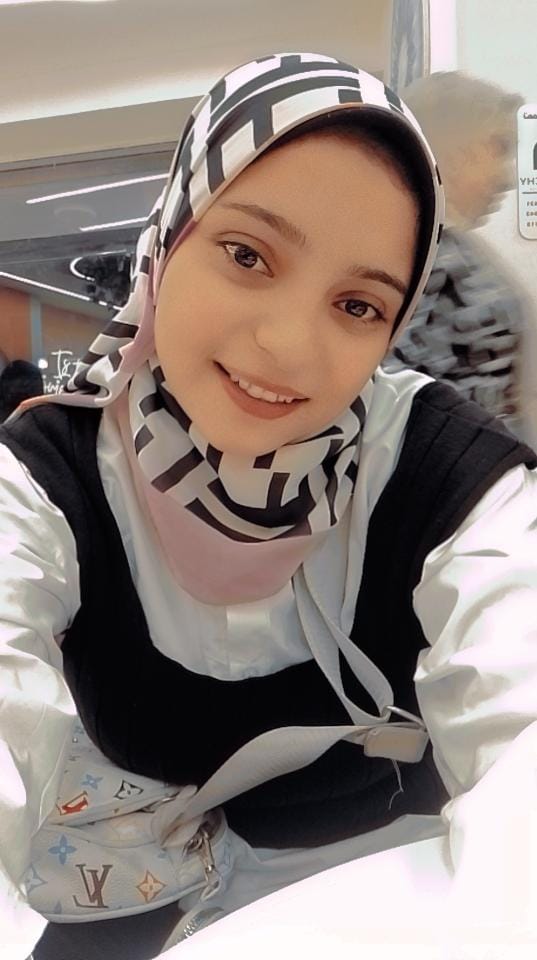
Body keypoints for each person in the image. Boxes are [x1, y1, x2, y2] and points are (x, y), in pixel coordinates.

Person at [0, 54, 536, 960]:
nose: (288, 344)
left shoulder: (440, 472)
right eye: (247, 255)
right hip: (133, 893)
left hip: (372, 898)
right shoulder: (49, 480)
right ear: (169, 237)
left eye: (357, 305)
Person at [383, 71, 534, 443]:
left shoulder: (452, 244)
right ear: (452, 147)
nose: (507, 178)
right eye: (498, 148)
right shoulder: (415, 251)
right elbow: (390, 395)